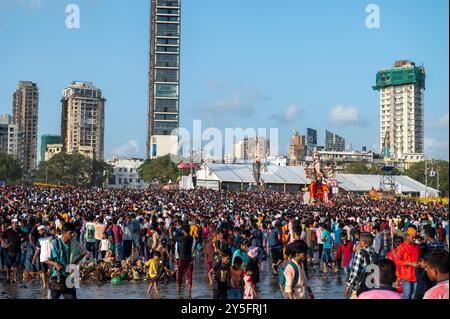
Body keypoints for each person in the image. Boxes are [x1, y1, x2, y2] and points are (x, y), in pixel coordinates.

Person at [46, 222, 87, 299]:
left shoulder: (74, 243)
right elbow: (46, 259)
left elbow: (84, 252)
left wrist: (75, 263)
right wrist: (55, 264)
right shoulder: (54, 243)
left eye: (73, 233)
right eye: (70, 233)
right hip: (56, 277)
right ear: (63, 232)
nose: (73, 235)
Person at [344, 232, 376, 299]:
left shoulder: (360, 253)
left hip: (359, 286)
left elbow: (354, 273)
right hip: (371, 286)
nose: (359, 243)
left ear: (364, 243)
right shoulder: (374, 253)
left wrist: (348, 286)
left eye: (360, 241)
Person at [396, 225, 420, 299]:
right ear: (408, 236)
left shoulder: (417, 246)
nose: (414, 239)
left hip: (416, 275)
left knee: (416, 295)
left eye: (415, 238)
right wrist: (410, 263)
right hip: (406, 276)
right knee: (407, 295)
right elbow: (398, 261)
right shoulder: (402, 247)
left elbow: (419, 258)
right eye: (413, 238)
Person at [175, 224, 194, 293]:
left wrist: (171, 232)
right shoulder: (191, 238)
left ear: (183, 230)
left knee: (180, 273)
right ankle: (189, 289)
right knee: (189, 274)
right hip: (189, 258)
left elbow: (175, 238)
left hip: (182, 258)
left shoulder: (183, 238)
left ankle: (179, 288)